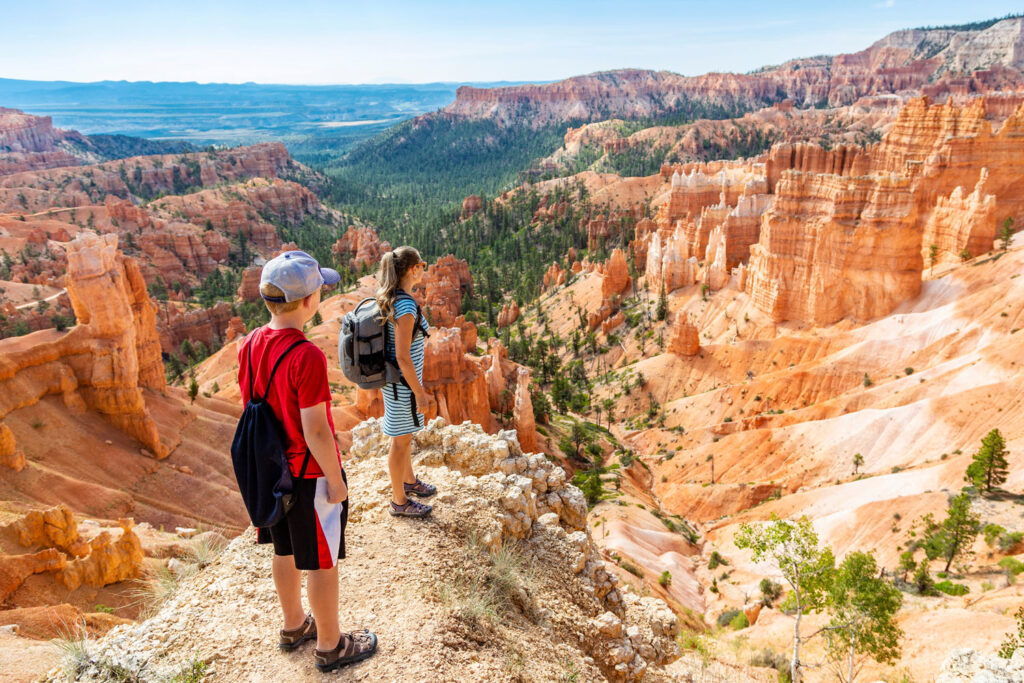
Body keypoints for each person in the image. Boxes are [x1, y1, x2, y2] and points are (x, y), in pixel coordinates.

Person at [237, 250, 377, 672]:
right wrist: (335, 479)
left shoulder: (249, 344)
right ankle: (331, 645)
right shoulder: (306, 355)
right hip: (306, 474)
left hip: (269, 470)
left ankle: (294, 624)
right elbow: (315, 430)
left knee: (283, 550)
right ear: (310, 300)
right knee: (320, 560)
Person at [377, 246, 437, 517]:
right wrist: (419, 393)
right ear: (413, 269)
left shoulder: (394, 298)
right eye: (422, 264)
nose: (424, 269)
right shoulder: (405, 305)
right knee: (400, 442)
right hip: (403, 386)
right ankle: (399, 502)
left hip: (396, 383)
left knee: (404, 435)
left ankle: (409, 481)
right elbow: (403, 356)